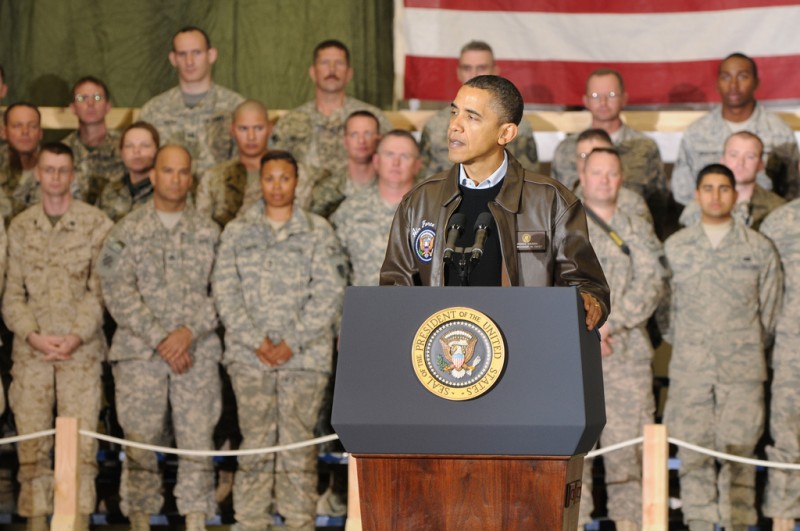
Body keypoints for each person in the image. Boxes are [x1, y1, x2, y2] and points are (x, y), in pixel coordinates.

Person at [379, 75, 609, 330]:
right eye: (454, 112)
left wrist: (589, 301)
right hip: (441, 358)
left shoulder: (552, 201)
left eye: (471, 117)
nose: (455, 125)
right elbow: (394, 289)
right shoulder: (419, 201)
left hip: (525, 351)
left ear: (505, 133)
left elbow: (587, 285)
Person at [213, 150, 346, 530]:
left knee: (296, 445)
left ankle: (298, 520)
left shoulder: (318, 231)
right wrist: (257, 339)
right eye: (269, 178)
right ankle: (250, 520)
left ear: (296, 181)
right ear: (260, 182)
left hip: (303, 359)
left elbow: (329, 292)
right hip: (248, 356)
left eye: (284, 178)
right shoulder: (237, 231)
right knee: (254, 441)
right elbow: (225, 291)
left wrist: (293, 342)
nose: (276, 186)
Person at [98, 145, 221, 531]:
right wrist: (161, 338)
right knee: (140, 441)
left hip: (195, 352)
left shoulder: (209, 231)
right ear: (153, 175)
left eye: (184, 172)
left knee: (197, 441)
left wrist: (187, 333)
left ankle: (196, 518)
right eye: (168, 171)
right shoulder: (127, 231)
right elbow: (116, 290)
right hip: (141, 355)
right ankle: (138, 517)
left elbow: (224, 291)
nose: (176, 179)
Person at [663, 163, 781, 531]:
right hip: (690, 370)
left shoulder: (759, 248)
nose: (716, 195)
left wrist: (742, 346)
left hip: (742, 372)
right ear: (696, 195)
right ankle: (698, 522)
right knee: (693, 453)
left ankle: (738, 525)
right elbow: (665, 312)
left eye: (724, 188)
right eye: (708, 188)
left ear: (736, 194)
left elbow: (770, 310)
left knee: (741, 456)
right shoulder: (676, 247)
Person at [2, 142, 113, 531]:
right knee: (32, 448)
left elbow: (100, 291)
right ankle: (35, 524)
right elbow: (12, 293)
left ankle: (75, 523)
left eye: (63, 170)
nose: (55, 177)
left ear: (73, 175)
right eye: (48, 170)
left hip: (79, 356)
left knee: (80, 449)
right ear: (38, 174)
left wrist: (75, 337)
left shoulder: (97, 224)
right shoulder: (20, 227)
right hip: (32, 357)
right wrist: (33, 335)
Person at [576, 148, 664, 531]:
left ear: (621, 178)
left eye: (612, 174)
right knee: (574, 449)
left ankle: (630, 523)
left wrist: (611, 323)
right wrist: (588, 326)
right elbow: (548, 279)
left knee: (628, 449)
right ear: (582, 174)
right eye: (597, 173)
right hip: (575, 351)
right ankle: (574, 522)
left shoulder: (636, 226)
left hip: (625, 353)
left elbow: (652, 282)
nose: (605, 181)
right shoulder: (565, 226)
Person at [551, 68, 667, 235]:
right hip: (577, 240)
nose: (603, 102)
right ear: (586, 101)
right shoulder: (566, 149)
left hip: (632, 238)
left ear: (624, 99)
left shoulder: (644, 147)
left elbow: (659, 204)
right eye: (596, 96)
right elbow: (554, 203)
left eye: (611, 95)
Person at [672, 53, 800, 205]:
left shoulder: (779, 132)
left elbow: (793, 190)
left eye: (742, 76)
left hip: (765, 220)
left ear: (756, 82)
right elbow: (683, 191)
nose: (733, 85)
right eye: (726, 77)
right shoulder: (697, 132)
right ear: (717, 83)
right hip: (707, 221)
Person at [270, 39, 392, 176]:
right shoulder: (290, 122)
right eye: (325, 63)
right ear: (312, 72)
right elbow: (276, 169)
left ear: (349, 73)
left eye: (339, 63)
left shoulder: (374, 119)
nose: (332, 69)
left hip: (359, 196)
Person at [419, 40, 538, 177]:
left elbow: (528, 177)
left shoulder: (519, 126)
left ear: (495, 71)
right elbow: (422, 176)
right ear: (458, 72)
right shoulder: (434, 125)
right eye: (467, 68)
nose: (474, 73)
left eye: (482, 68)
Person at [196, 100, 322, 227]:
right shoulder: (213, 178)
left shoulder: (295, 174)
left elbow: (306, 222)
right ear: (233, 130)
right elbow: (202, 227)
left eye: (258, 128)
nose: (251, 137)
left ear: (270, 129)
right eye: (243, 128)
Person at [139, 26, 245, 176]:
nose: (189, 61)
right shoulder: (152, 112)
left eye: (196, 53)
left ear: (211, 55)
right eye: (182, 54)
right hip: (169, 197)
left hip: (221, 197)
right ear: (173, 59)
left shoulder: (236, 108)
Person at [759, 184, 800, 531]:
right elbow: (766, 293)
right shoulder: (779, 223)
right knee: (788, 442)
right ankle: (784, 524)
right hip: (792, 351)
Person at [333, 129, 420, 286]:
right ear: (376, 161)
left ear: (418, 165)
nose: (396, 163)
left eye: (405, 156)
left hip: (418, 307)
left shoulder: (432, 210)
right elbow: (335, 271)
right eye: (389, 155)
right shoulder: (349, 210)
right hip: (364, 306)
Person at [679, 131, 785, 230]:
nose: (740, 162)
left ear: (761, 164)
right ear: (723, 160)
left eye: (750, 156)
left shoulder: (778, 208)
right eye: (733, 155)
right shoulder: (698, 207)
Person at [62, 75, 124, 205]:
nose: (90, 104)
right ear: (72, 108)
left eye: (97, 97)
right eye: (82, 98)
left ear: (108, 106)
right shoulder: (62, 152)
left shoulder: (125, 148)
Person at [572, 128, 653, 226]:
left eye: (599, 153)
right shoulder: (563, 202)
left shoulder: (633, 203)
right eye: (583, 155)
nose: (590, 160)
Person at [310, 110, 380, 218]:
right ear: (345, 141)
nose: (361, 140)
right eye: (354, 134)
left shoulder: (392, 186)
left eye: (368, 134)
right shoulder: (327, 189)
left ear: (379, 140)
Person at [97, 121, 160, 222]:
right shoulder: (109, 190)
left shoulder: (165, 192)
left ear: (157, 151)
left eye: (145, 145)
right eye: (129, 146)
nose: (136, 151)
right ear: (121, 152)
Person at [0, 102, 43, 220]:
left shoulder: (57, 168)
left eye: (32, 126)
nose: (25, 132)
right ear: (4, 132)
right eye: (17, 126)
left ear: (40, 133)